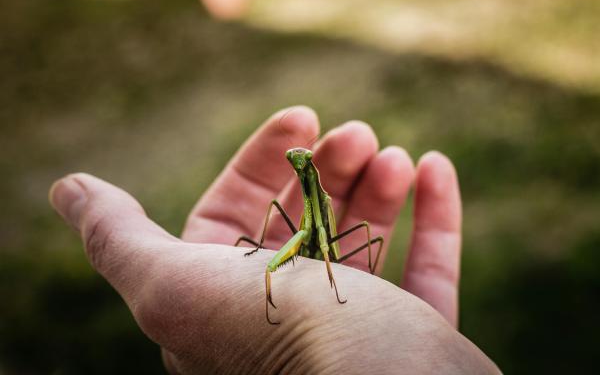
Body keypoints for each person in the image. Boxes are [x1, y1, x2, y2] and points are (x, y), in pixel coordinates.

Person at [49, 107, 500, 373]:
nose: (296, 159)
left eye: (300, 158)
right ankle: (266, 249)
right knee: (272, 235)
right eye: (296, 157)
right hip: (308, 239)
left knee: (364, 232)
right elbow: (301, 223)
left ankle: (323, 277)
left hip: (331, 248)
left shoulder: (319, 189)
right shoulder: (301, 192)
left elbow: (321, 234)